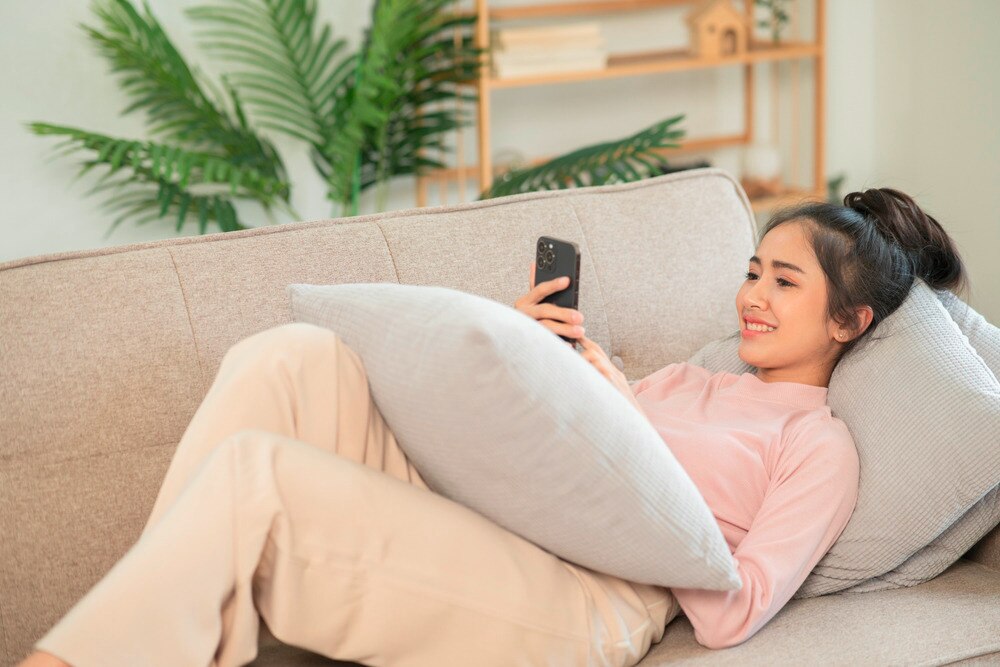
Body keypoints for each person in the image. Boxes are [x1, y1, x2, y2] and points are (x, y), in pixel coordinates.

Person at [20, 187, 968, 667]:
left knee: (258, 478)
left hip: (588, 598)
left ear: (851, 322)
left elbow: (734, 608)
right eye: (753, 269)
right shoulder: (693, 374)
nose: (752, 296)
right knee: (292, 357)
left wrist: (649, 493)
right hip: (506, 516)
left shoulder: (820, 448)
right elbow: (584, 446)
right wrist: (541, 361)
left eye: (784, 282)